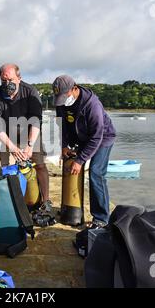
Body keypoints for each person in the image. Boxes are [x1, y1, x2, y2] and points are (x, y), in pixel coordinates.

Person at [0, 63, 55, 227]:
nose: (7, 84)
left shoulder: (30, 92)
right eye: (3, 80)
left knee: (39, 165)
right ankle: (11, 200)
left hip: (30, 133)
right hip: (8, 135)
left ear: (19, 78)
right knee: (6, 168)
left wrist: (30, 145)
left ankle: (45, 200)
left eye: (10, 79)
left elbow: (36, 121)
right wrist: (12, 147)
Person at [52, 75, 116, 229]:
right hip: (80, 137)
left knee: (96, 173)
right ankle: (70, 206)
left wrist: (81, 160)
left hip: (102, 138)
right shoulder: (62, 102)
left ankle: (101, 218)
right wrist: (64, 146)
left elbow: (96, 136)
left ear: (75, 89)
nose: (62, 100)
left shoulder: (92, 105)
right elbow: (63, 126)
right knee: (69, 166)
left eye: (64, 96)